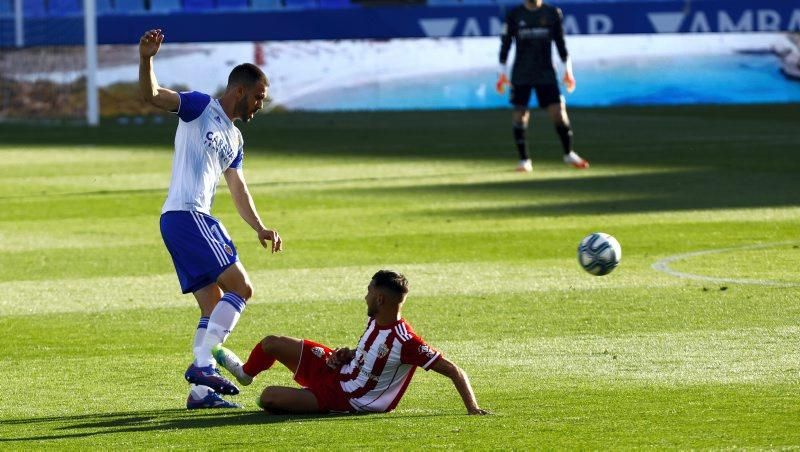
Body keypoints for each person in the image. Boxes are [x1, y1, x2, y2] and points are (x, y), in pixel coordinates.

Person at [138, 29, 283, 409]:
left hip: (182, 221)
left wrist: (259, 226)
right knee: (243, 288)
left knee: (212, 304)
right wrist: (147, 58)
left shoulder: (234, 139)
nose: (259, 107)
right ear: (240, 92)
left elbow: (238, 188)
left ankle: (201, 393)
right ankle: (203, 366)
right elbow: (153, 96)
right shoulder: (200, 107)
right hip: (186, 214)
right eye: (258, 98)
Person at [212, 270, 489, 415]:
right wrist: (347, 354)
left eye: (368, 291)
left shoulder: (406, 342)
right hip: (337, 369)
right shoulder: (376, 319)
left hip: (347, 398)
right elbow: (374, 355)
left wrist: (472, 408)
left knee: (269, 397)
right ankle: (245, 374)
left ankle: (305, 402)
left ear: (380, 299)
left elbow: (454, 370)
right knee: (271, 343)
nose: (365, 296)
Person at [498, 0, 589, 173]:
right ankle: (524, 160)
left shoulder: (552, 13)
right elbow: (506, 45)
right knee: (519, 114)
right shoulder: (514, 15)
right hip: (521, 74)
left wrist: (568, 71)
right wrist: (501, 72)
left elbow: (561, 44)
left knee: (558, 113)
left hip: (546, 73)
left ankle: (568, 153)